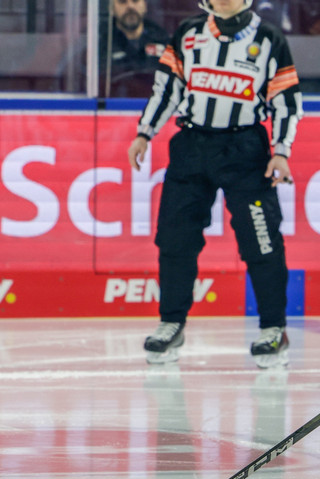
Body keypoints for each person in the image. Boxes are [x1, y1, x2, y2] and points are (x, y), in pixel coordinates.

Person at [126, 0, 303, 368]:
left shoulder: (269, 38)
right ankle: (171, 323)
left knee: (262, 239)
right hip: (191, 145)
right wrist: (144, 133)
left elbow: (286, 100)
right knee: (175, 238)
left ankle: (273, 329)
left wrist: (281, 151)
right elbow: (166, 88)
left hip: (245, 149)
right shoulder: (189, 33)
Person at [102, 0, 170, 97]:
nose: (130, 6)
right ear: (111, 8)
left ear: (145, 6)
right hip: (116, 107)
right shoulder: (102, 44)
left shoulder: (164, 42)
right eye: (122, 2)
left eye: (135, 1)